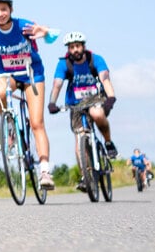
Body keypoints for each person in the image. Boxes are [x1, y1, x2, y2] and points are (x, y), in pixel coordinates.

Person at [0, 0, 57, 189]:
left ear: (11, 10)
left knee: (36, 123)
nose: (0, 13)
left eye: (3, 9)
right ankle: (9, 127)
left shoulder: (23, 25)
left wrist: (46, 32)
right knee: (0, 91)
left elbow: (51, 35)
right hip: (7, 74)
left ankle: (44, 171)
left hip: (31, 73)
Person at [46, 31, 118, 191]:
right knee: (79, 139)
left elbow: (105, 78)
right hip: (75, 104)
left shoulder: (95, 60)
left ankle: (108, 142)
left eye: (77, 46)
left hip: (96, 99)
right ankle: (86, 177)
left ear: (83, 46)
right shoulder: (64, 64)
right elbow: (57, 84)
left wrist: (111, 97)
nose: (75, 50)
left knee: (97, 114)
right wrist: (52, 103)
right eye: (71, 47)